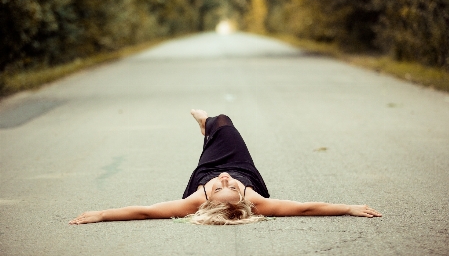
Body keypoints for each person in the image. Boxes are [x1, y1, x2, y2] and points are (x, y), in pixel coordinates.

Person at [69, 109, 382, 225]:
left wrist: (101, 214)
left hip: (201, 171)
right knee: (225, 122)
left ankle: (207, 127)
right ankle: (210, 126)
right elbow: (303, 209)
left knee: (216, 123)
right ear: (244, 198)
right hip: (243, 163)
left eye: (221, 188)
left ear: (207, 199)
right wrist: (349, 207)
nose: (225, 179)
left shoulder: (197, 199)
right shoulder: (255, 201)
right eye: (230, 188)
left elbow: (146, 211)